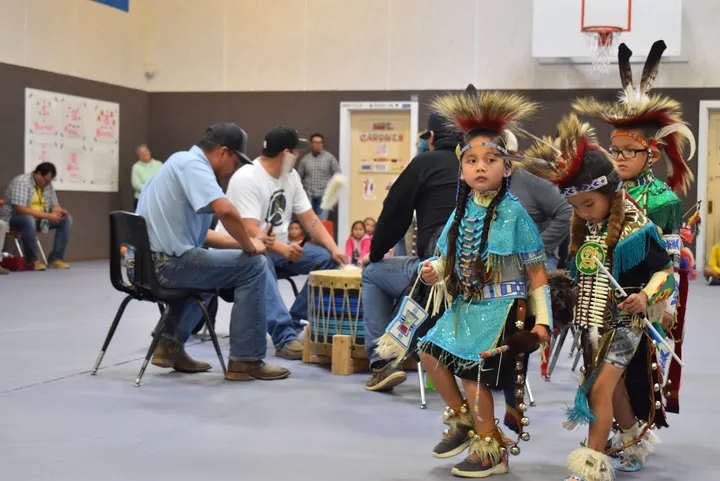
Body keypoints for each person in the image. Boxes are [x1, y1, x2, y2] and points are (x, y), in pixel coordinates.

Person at [515, 113, 672, 481]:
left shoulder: (637, 227)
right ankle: (632, 438)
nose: (583, 213)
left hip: (626, 321)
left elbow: (666, 273)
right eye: (577, 208)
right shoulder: (586, 228)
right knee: (612, 390)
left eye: (589, 205)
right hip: (592, 321)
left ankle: (591, 465)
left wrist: (647, 297)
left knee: (598, 389)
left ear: (611, 193)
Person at [411, 86, 552, 478]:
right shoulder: (462, 212)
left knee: (475, 376)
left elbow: (537, 271)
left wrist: (543, 323)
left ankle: (489, 449)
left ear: (506, 168)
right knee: (427, 351)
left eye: (490, 159)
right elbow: (446, 256)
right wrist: (435, 270)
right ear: (461, 169)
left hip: (504, 308)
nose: (479, 167)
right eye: (471, 160)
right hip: (467, 306)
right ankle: (463, 423)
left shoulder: (515, 215)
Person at [573, 39, 693, 416]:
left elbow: (668, 262)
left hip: (643, 300)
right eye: (615, 150)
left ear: (651, 154)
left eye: (629, 151)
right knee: (598, 367)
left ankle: (636, 432)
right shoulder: (607, 192)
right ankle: (610, 427)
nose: (619, 158)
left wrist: (664, 304)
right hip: (601, 295)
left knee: (639, 370)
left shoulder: (664, 201)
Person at [137, 122, 290, 381]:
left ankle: (168, 345)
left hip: (148, 264)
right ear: (222, 153)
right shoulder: (194, 166)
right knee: (254, 266)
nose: (235, 168)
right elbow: (227, 211)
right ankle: (246, 359)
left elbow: (204, 236)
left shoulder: (179, 163)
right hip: (165, 266)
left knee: (219, 268)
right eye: (236, 160)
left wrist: (253, 238)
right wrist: (248, 246)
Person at [216, 126, 348, 360]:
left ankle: (295, 320)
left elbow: (309, 218)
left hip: (278, 249)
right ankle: (283, 336)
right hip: (239, 249)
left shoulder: (291, 177)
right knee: (259, 259)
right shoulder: (247, 177)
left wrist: (335, 248)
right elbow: (249, 230)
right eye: (295, 151)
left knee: (327, 261)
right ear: (285, 153)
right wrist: (284, 249)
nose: (298, 156)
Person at [359, 108, 462, 392]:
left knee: (372, 273)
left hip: (435, 271)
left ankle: (383, 361)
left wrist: (376, 253)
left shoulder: (424, 163)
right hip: (482, 278)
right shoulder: (485, 167)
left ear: (430, 137)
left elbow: (394, 214)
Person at [504, 131, 573, 270]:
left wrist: (538, 245)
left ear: (515, 154)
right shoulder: (479, 184)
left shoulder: (532, 181)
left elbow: (566, 211)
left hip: (536, 264)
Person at [0, 162, 71, 270]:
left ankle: (56, 258)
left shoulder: (47, 185)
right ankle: (32, 260)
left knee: (66, 220)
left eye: (49, 181)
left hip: (39, 219)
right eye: (46, 180)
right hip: (13, 218)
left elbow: (54, 205)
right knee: (28, 220)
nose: (47, 183)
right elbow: (21, 209)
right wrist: (48, 216)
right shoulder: (21, 182)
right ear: (38, 173)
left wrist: (61, 211)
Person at [296, 133, 340, 214]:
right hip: (309, 197)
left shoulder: (329, 158)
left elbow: (338, 175)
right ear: (311, 144)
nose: (318, 145)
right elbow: (298, 177)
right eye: (315, 142)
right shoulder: (305, 160)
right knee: (310, 223)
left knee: (322, 223)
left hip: (324, 197)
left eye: (320, 143)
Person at [131, 144, 163, 210]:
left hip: (156, 199)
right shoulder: (136, 167)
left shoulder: (159, 164)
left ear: (149, 152)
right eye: (142, 153)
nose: (144, 154)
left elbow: (163, 179)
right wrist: (150, 189)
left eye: (146, 151)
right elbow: (136, 184)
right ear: (138, 156)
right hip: (141, 199)